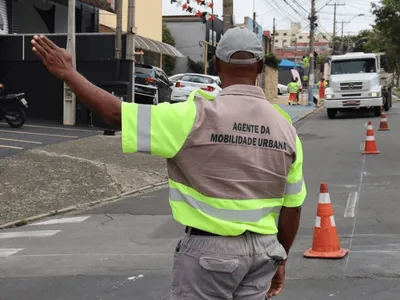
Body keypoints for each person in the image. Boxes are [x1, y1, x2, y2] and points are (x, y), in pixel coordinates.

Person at [31, 27, 306, 300]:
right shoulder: (285, 128)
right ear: (259, 67)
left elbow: (116, 114)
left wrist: (68, 73)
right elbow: (292, 207)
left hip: (210, 255)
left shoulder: (193, 115)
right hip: (264, 253)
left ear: (217, 64)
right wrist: (280, 257)